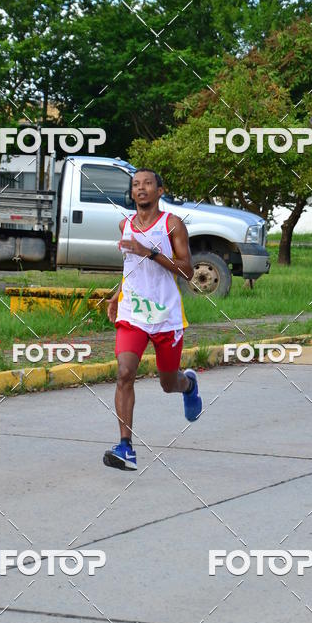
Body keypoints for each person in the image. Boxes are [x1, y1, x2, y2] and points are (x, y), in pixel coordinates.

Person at [103, 168, 202, 470]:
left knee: (168, 383)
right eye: (136, 185)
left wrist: (151, 252)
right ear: (132, 193)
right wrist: (117, 295)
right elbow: (131, 267)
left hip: (165, 317)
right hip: (132, 313)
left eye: (148, 184)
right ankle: (125, 447)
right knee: (124, 373)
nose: (141, 188)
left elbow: (187, 271)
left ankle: (188, 386)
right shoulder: (125, 225)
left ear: (160, 191)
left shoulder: (171, 225)